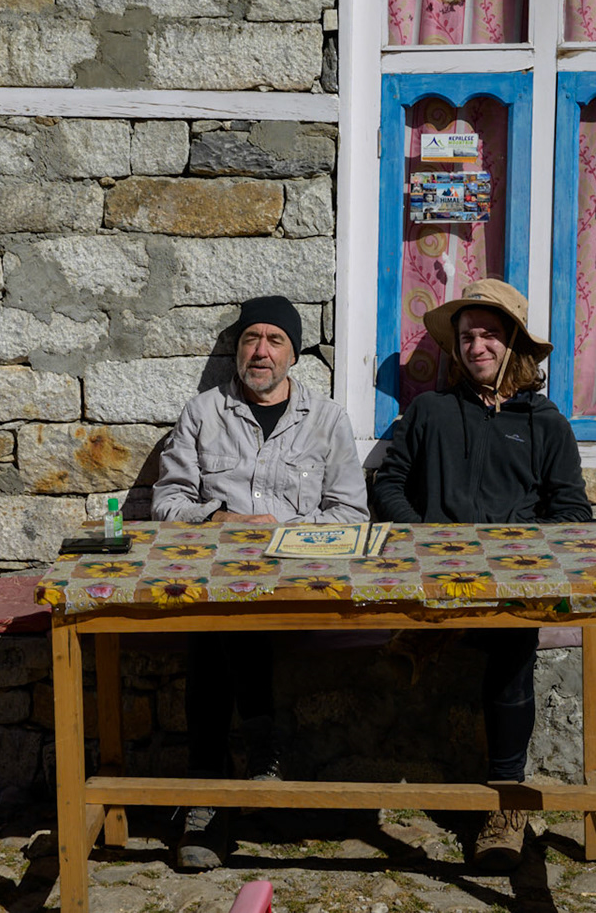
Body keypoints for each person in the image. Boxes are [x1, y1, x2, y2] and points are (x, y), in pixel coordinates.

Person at [371, 278, 590, 873]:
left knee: (513, 647)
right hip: (435, 570)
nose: (477, 346)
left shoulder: (544, 423)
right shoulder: (430, 412)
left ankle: (506, 803)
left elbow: (572, 512)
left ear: (513, 342)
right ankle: (429, 633)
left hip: (511, 583)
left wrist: (520, 553)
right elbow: (390, 483)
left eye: (489, 334)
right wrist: (422, 535)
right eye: (468, 336)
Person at [151, 294, 367, 870]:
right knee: (214, 620)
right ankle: (244, 763)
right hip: (218, 578)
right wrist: (219, 518)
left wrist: (283, 530)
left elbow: (351, 515)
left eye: (275, 340)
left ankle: (211, 788)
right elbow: (167, 503)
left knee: (221, 625)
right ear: (237, 350)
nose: (261, 351)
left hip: (298, 582)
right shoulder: (203, 413)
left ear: (293, 354)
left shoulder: (326, 419)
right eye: (251, 339)